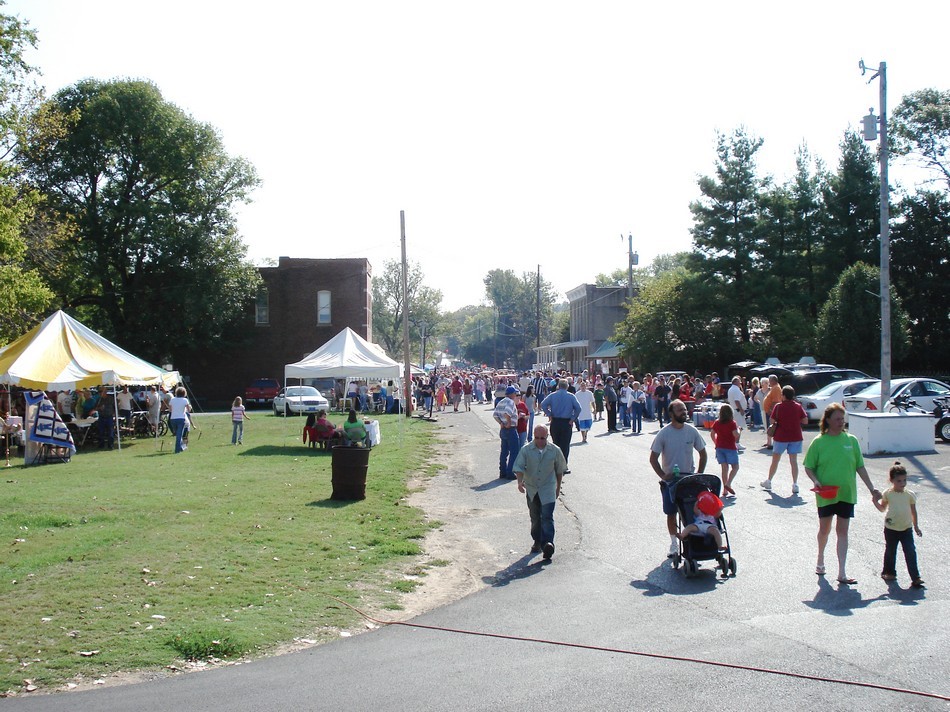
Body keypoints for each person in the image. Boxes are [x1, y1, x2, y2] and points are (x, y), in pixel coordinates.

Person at [803, 403, 881, 584]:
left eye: (842, 419)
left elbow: (860, 466)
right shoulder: (819, 442)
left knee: (843, 531)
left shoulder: (851, 440)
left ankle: (842, 572)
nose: (841, 422)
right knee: (824, 529)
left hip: (846, 493)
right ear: (828, 420)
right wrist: (815, 481)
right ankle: (820, 559)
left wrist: (871, 488)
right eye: (837, 419)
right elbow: (809, 467)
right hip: (826, 493)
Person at [649, 399, 708, 557]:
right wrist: (663, 475)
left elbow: (703, 453)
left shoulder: (691, 431)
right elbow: (653, 458)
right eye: (680, 410)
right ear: (671, 414)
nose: (684, 412)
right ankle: (674, 543)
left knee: (693, 511)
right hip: (671, 482)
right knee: (671, 513)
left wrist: (699, 474)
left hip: (689, 479)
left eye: (684, 409)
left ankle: (696, 542)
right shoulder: (664, 433)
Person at [513, 425, 567, 561]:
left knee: (547, 517)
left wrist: (558, 488)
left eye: (542, 438)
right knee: (535, 517)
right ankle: (537, 541)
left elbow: (560, 470)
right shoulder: (526, 450)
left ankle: (548, 544)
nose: (539, 441)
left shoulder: (555, 450)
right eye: (537, 438)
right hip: (532, 489)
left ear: (547, 437)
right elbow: (519, 467)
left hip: (548, 488)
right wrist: (519, 482)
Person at [874, 462, 924, 588]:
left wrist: (916, 526)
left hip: (906, 528)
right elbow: (882, 509)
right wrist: (875, 501)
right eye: (899, 481)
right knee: (891, 551)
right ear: (892, 480)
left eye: (904, 480)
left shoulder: (909, 495)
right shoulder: (888, 493)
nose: (902, 483)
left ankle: (915, 577)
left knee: (910, 551)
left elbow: (913, 511)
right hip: (891, 528)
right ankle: (889, 573)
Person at [761, 385, 808, 494]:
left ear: (784, 395)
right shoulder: (798, 406)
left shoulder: (778, 407)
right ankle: (795, 484)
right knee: (793, 461)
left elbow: (772, 421)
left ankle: (769, 481)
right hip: (795, 436)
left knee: (775, 460)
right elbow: (805, 421)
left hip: (781, 437)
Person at [540, 379, 582, 474]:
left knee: (556, 444)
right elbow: (578, 408)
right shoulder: (571, 396)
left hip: (555, 421)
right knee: (565, 445)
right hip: (566, 422)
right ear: (567, 386)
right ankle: (563, 466)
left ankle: (556, 465)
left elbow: (543, 404)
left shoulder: (553, 395)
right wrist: (573, 418)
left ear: (558, 386)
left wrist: (549, 414)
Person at [711, 404, 739, 496]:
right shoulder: (732, 423)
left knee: (724, 468)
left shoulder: (717, 423)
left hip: (719, 447)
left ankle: (725, 490)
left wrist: (716, 443)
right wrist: (739, 430)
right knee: (735, 467)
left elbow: (712, 434)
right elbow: (736, 435)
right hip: (730, 447)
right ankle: (728, 483)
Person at [493, 385, 520, 480]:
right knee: (514, 451)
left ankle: (502, 471)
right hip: (510, 428)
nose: (516, 395)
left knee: (504, 451)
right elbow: (507, 413)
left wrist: (501, 423)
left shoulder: (501, 401)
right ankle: (510, 472)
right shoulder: (510, 402)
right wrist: (508, 422)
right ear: (512, 394)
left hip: (503, 429)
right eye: (515, 393)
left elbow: (495, 414)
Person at [168, 386, 192, 454]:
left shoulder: (172, 399)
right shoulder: (185, 400)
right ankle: (177, 450)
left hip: (172, 419)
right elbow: (189, 410)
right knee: (179, 435)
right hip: (181, 419)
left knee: (177, 434)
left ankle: (181, 447)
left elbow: (170, 409)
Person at [761, 375, 782, 449]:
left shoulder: (776, 388)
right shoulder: (774, 387)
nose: (769, 382)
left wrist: (771, 411)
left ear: (773, 381)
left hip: (771, 411)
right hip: (769, 411)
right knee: (769, 427)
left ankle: (772, 443)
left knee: (772, 427)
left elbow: (775, 401)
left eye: (769, 380)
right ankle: (769, 442)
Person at [727, 377, 747, 441]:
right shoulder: (736, 390)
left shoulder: (731, 389)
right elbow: (737, 401)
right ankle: (736, 442)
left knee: (736, 427)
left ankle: (735, 442)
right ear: (735, 382)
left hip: (734, 410)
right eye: (739, 382)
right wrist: (741, 409)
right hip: (738, 411)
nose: (740, 383)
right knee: (738, 427)